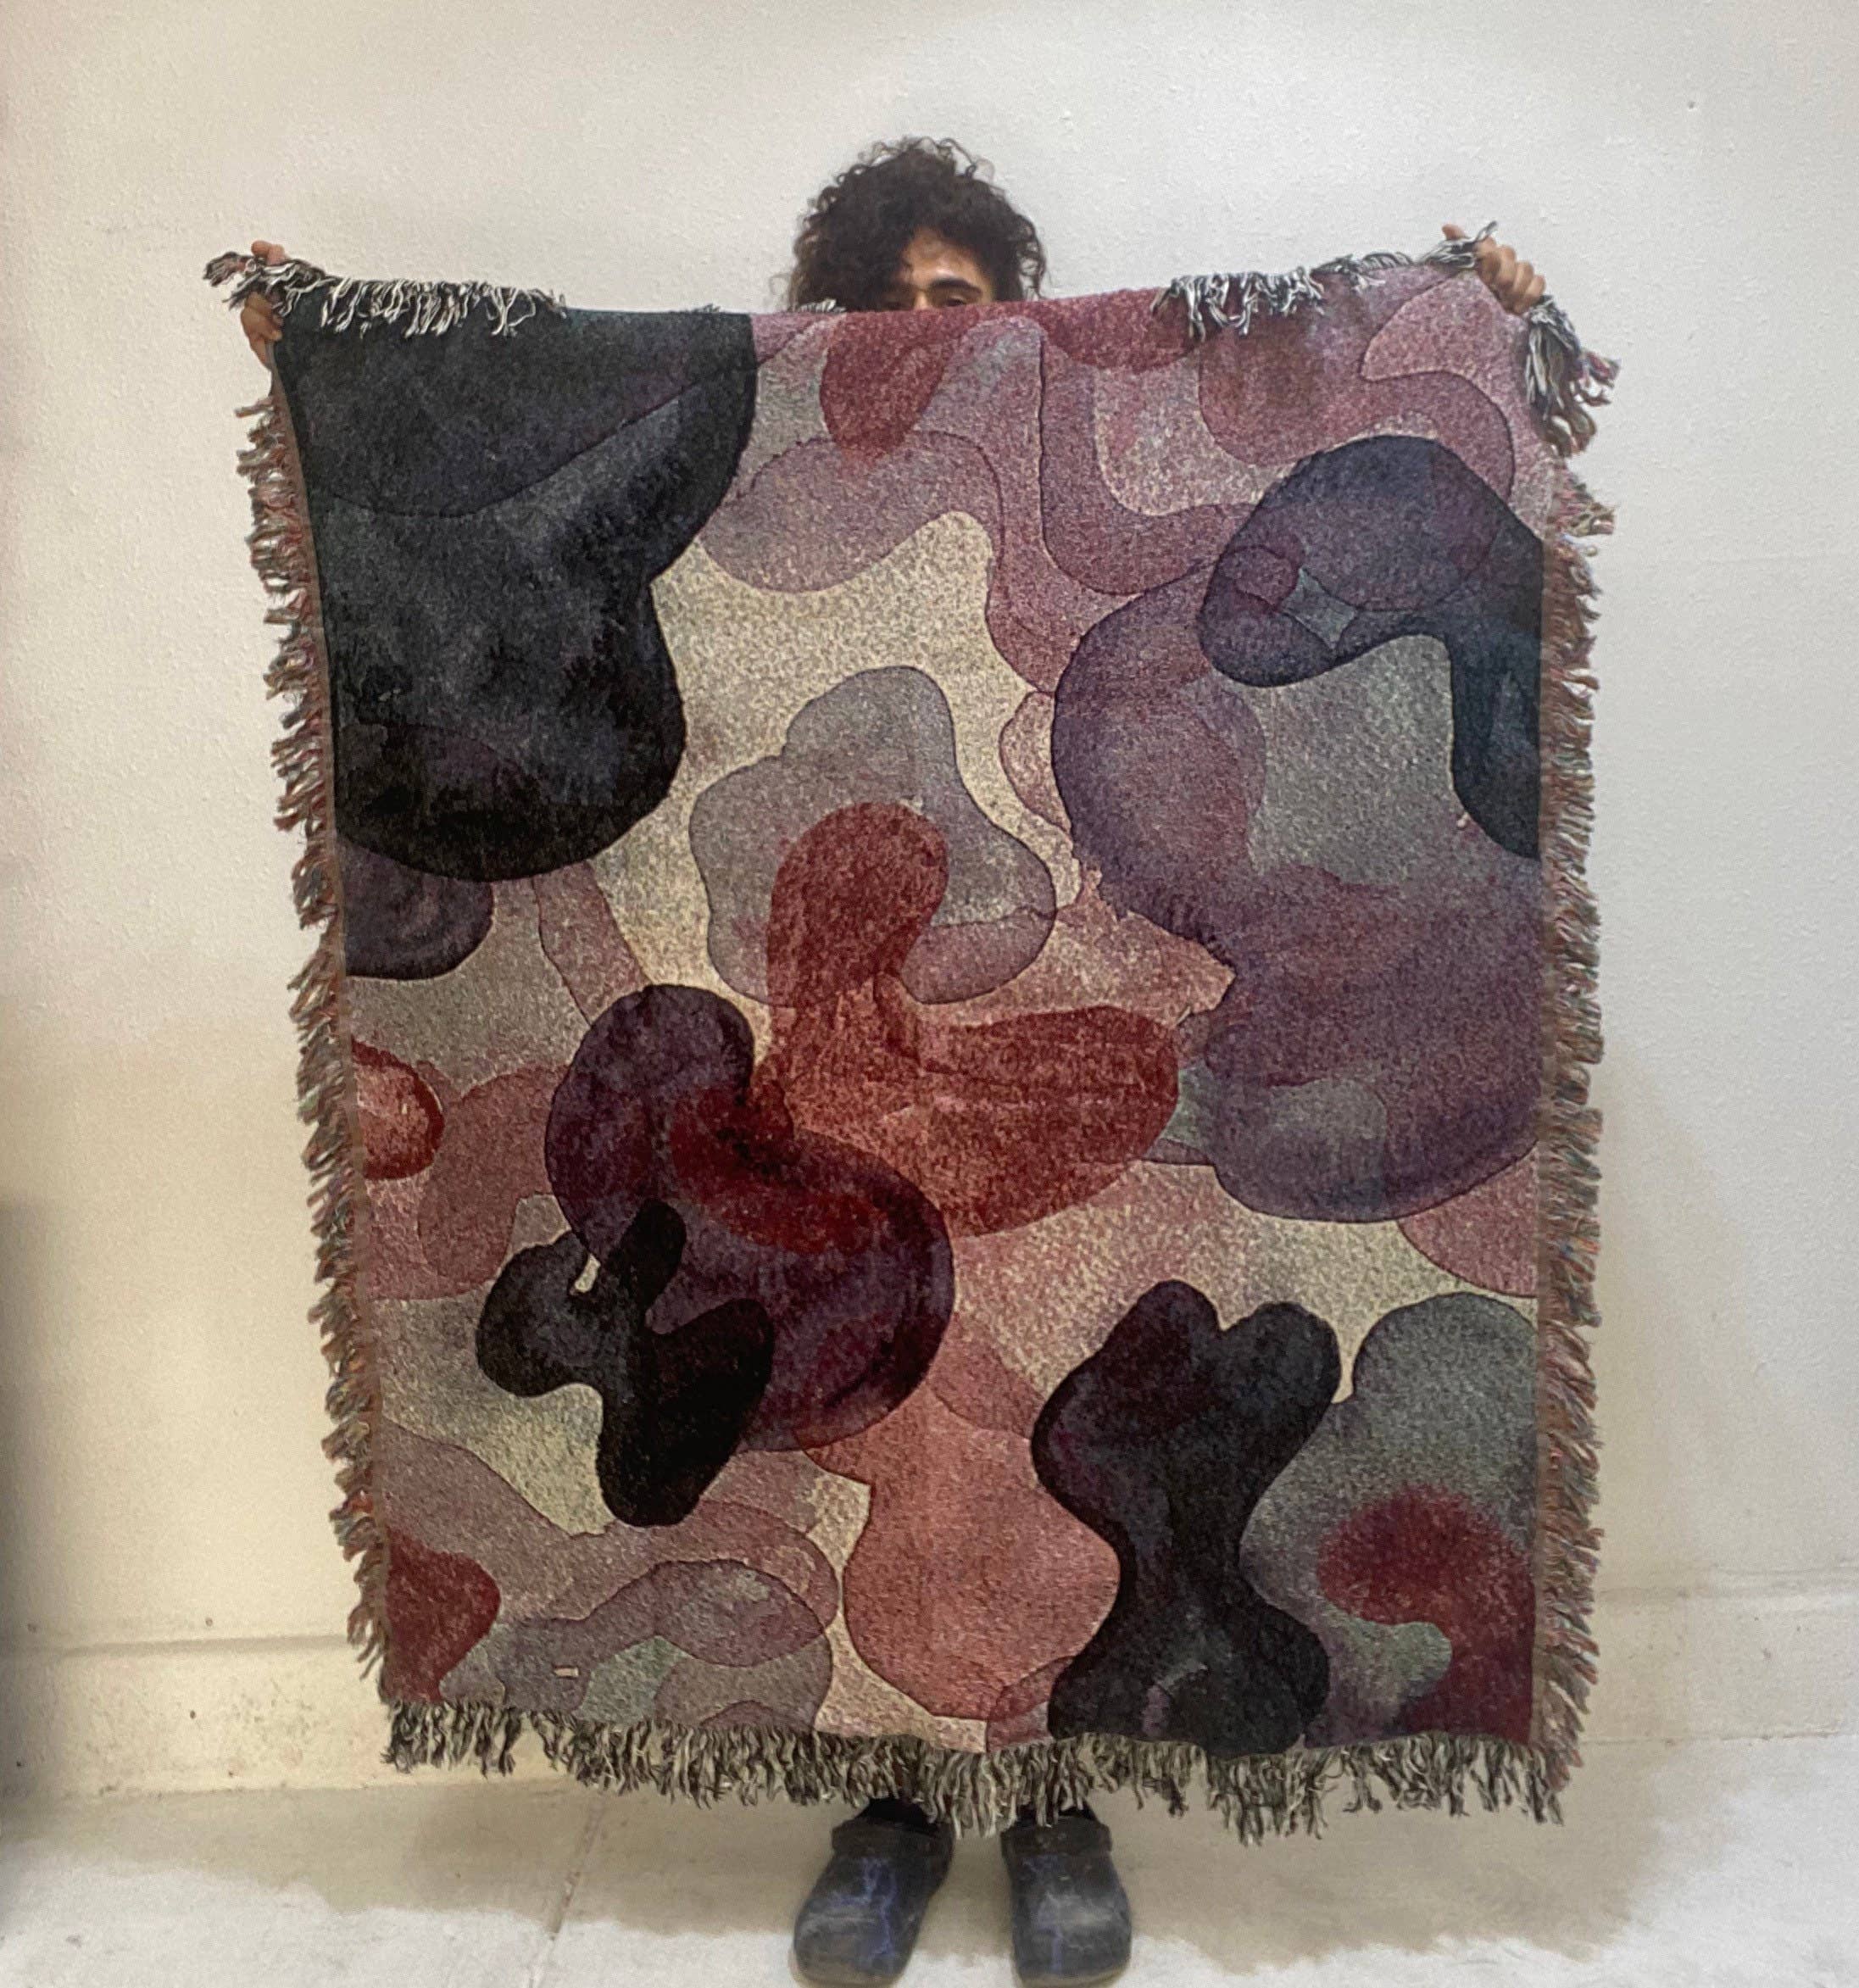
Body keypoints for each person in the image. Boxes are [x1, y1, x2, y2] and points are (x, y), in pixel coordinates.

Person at [238, 138, 1546, 1988]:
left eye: (960, 297)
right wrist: (332, 350)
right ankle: (889, 1817)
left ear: (1014, 307)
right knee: (881, 1451)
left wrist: (1464, 311)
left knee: (1020, 1442)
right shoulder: (781, 482)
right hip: (816, 1095)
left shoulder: (1060, 427)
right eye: (890, 299)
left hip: (1045, 1042)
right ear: (826, 317)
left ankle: (1055, 1811)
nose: (926, 327)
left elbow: (1291, 405)